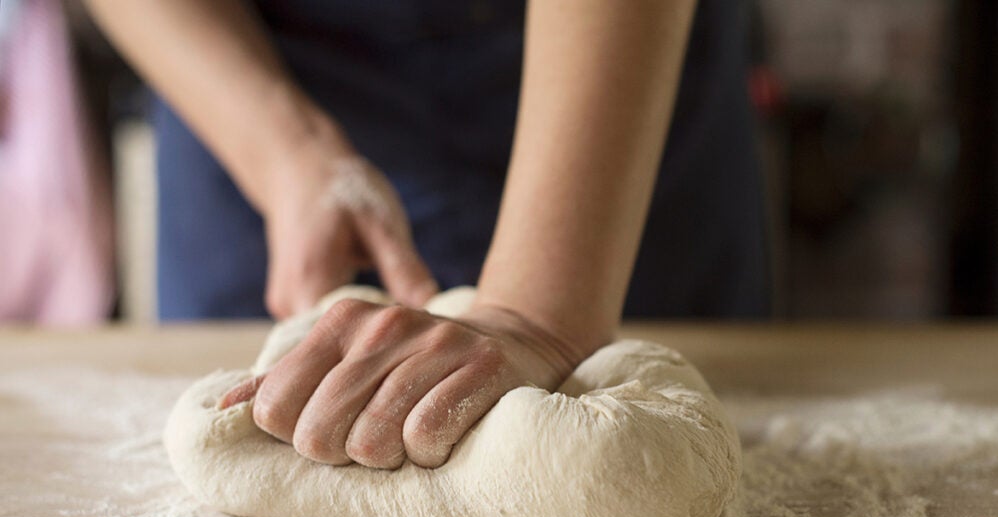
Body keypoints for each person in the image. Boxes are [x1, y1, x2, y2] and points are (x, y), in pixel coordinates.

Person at [86, 1, 768, 470]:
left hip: (601, 65)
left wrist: (538, 318)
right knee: (266, 422)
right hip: (249, 62)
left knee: (649, 448)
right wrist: (286, 153)